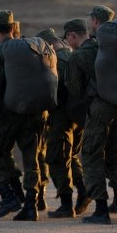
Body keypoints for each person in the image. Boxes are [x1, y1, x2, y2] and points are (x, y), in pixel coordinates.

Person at [66, 5, 117, 225]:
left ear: (95, 21)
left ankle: (101, 210)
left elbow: (74, 89)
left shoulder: (85, 52)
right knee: (116, 154)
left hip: (102, 106)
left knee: (91, 154)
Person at [0, 12, 45, 220]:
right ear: (13, 28)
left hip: (8, 114)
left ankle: (9, 196)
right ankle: (31, 204)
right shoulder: (30, 48)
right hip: (34, 112)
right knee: (31, 158)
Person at [39, 26, 88, 218]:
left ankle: (66, 203)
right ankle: (83, 190)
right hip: (78, 115)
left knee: (56, 158)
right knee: (71, 155)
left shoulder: (55, 60)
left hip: (61, 117)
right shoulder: (72, 54)